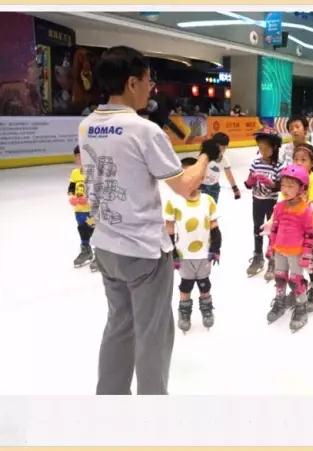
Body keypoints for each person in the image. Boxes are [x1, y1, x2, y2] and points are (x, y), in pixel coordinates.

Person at [80, 46, 211, 395]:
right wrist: (205, 156)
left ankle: (110, 402)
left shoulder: (87, 126)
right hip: (144, 252)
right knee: (153, 335)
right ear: (132, 82)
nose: (151, 88)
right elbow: (185, 186)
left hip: (106, 247)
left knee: (119, 326)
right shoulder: (143, 130)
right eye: (148, 81)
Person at [165, 155, 222, 333]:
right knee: (186, 284)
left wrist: (216, 248)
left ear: (201, 177)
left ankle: (206, 308)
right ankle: (184, 311)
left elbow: (214, 226)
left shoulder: (208, 201)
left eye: (193, 176)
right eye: (184, 177)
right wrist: (172, 252)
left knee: (204, 283)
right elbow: (169, 228)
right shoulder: (173, 201)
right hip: (184, 255)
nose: (189, 181)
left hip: (204, 253)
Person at [265, 165, 313, 331]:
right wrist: (271, 246)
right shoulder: (279, 207)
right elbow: (274, 228)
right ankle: (280, 301)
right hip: (280, 249)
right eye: (283, 185)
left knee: (296, 280)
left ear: (302, 188)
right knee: (279, 277)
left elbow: (309, 234)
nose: (285, 189)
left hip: (296, 252)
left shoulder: (305, 210)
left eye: (290, 186)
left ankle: (301, 307)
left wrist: (307, 254)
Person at [245, 126, 285, 278]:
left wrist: (270, 183)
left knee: (271, 231)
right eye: (260, 148)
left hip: (271, 203)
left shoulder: (279, 165)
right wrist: (250, 180)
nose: (262, 151)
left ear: (274, 147)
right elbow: (249, 184)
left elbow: (281, 186)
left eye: (265, 148)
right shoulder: (256, 162)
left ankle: (273, 258)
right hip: (257, 201)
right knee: (257, 228)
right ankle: (258, 256)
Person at [291, 144, 313, 312]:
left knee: (309, 258)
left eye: (303, 160)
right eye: (296, 159)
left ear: (312, 163)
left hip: (309, 225)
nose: (299, 162)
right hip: (292, 225)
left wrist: (306, 206)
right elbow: (283, 197)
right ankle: (299, 285)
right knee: (294, 257)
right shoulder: (290, 177)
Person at [68, 145, 97, 271]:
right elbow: (71, 188)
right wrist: (72, 197)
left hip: (91, 210)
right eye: (77, 157)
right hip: (79, 210)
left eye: (81, 157)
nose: (79, 159)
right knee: (82, 228)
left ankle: (99, 253)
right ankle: (86, 250)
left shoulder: (94, 173)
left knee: (93, 229)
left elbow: (97, 190)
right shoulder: (75, 173)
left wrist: (89, 199)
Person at [200, 133, 241, 203]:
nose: (222, 148)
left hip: (214, 188)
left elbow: (229, 175)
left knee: (212, 207)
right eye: (220, 145)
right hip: (201, 186)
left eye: (225, 146)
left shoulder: (225, 160)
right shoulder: (206, 156)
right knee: (202, 207)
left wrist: (235, 188)